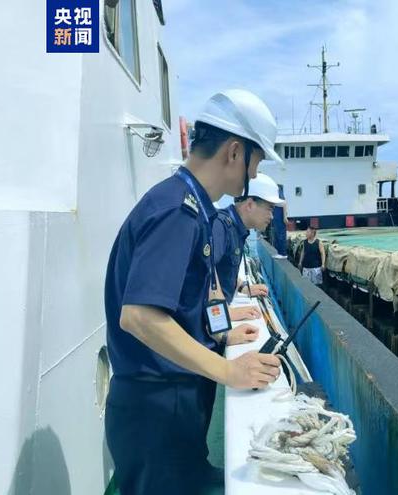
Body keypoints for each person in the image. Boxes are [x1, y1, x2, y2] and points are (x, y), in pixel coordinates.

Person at [104, 89, 283, 495]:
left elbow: (190, 297)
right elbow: (140, 316)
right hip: (157, 409)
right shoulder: (177, 210)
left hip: (169, 404)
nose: (251, 178)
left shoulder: (192, 207)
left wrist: (220, 334)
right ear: (235, 152)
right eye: (255, 163)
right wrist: (229, 370)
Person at [212, 173, 285, 317]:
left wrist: (242, 287)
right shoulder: (220, 227)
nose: (271, 216)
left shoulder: (235, 229)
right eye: (270, 209)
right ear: (250, 205)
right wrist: (225, 315)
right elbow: (203, 275)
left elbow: (222, 269)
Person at [272, 184, 289, 258]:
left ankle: (283, 253)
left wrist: (285, 217)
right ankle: (279, 252)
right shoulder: (276, 195)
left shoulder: (278, 193)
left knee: (280, 235)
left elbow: (284, 203)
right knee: (277, 235)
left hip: (280, 218)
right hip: (277, 218)